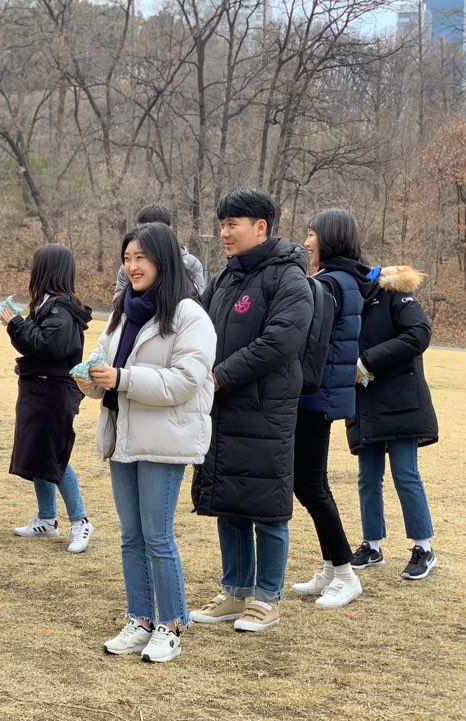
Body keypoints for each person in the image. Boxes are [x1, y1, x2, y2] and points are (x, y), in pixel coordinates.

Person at [78, 222, 216, 663]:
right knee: (131, 536)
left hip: (164, 439)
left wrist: (121, 378)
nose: (132, 266)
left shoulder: (189, 315)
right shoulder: (123, 310)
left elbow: (185, 382)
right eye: (127, 258)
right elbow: (104, 360)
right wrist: (91, 380)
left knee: (157, 536)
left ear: (163, 260)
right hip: (123, 435)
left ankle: (170, 624)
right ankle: (139, 618)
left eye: (141, 257)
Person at [190, 188, 312, 633]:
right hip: (220, 408)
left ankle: (267, 598)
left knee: (267, 505)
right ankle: (235, 592)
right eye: (221, 224)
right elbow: (196, 327)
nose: (224, 233)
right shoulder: (225, 278)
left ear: (260, 227)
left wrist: (221, 375)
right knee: (230, 501)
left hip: (265, 410)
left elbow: (281, 341)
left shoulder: (289, 277)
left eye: (232, 225)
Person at [290, 209, 373, 608]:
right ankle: (331, 567)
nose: (307, 242)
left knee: (309, 485)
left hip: (313, 395)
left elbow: (308, 340)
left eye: (312, 234)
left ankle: (344, 573)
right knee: (314, 483)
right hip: (322, 396)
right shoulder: (346, 279)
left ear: (330, 238)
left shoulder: (329, 283)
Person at [0, 243, 95, 553]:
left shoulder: (61, 309)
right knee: (38, 453)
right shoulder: (47, 304)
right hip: (38, 389)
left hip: (53, 392)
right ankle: (46, 519)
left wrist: (15, 322)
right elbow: (31, 345)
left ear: (46, 270)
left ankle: (80, 521)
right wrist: (16, 324)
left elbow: (45, 346)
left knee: (53, 455)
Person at [347, 264, 439, 580]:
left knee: (405, 473)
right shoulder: (348, 300)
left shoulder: (395, 294)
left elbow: (418, 334)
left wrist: (367, 360)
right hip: (365, 401)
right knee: (368, 477)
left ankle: (424, 548)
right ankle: (371, 545)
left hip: (401, 401)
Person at [112, 203, 205, 300]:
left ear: (169, 229)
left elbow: (199, 299)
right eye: (145, 228)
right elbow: (118, 301)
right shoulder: (129, 266)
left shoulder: (190, 263)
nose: (133, 267)